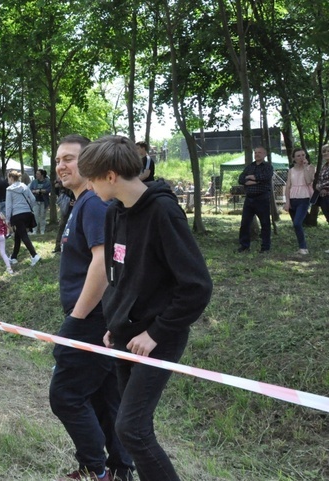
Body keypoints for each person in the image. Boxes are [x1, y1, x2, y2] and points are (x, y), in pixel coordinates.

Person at [77, 135, 212, 481]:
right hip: (124, 335)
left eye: (91, 179)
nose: (88, 187)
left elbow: (196, 287)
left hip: (157, 338)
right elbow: (118, 276)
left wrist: (155, 333)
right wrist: (115, 320)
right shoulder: (113, 214)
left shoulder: (163, 212)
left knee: (131, 429)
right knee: (133, 430)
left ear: (109, 176)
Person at [49, 134, 134, 481]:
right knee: (104, 398)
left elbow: (102, 265)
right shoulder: (82, 203)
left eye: (70, 158)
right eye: (58, 160)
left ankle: (93, 469)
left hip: (93, 319)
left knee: (66, 395)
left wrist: (76, 318)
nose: (61, 166)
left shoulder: (94, 204)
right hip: (100, 318)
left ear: (90, 164)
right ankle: (119, 469)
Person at [237, 146, 274, 253]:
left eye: (259, 152)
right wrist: (255, 179)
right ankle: (244, 246)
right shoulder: (250, 167)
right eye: (255, 152)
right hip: (249, 199)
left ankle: (265, 247)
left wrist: (252, 178)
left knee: (265, 223)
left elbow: (266, 177)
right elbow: (241, 179)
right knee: (245, 223)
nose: (257, 154)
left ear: (265, 154)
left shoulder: (268, 167)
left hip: (262, 198)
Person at [6, 170, 41, 266]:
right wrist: (29, 207)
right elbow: (33, 199)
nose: (8, 180)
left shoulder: (9, 189)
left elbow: (8, 206)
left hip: (17, 215)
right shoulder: (25, 186)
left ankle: (34, 255)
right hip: (27, 213)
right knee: (18, 235)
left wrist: (7, 219)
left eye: (8, 178)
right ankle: (13, 257)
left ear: (11, 178)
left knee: (23, 235)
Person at [283, 148, 315, 255]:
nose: (301, 158)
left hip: (304, 198)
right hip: (292, 198)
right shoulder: (291, 170)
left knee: (297, 223)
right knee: (296, 225)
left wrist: (305, 167)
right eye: (298, 156)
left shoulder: (310, 167)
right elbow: (288, 186)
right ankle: (302, 247)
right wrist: (287, 202)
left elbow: (308, 181)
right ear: (293, 158)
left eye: (303, 155)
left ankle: (303, 248)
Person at [29, 169, 52, 234]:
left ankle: (42, 230)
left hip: (44, 201)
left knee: (42, 216)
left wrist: (40, 190)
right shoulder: (34, 182)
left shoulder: (47, 181)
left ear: (42, 175)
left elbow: (49, 190)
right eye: (36, 174)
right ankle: (34, 230)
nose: (36, 175)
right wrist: (35, 191)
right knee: (35, 216)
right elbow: (30, 190)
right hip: (36, 201)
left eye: (38, 174)